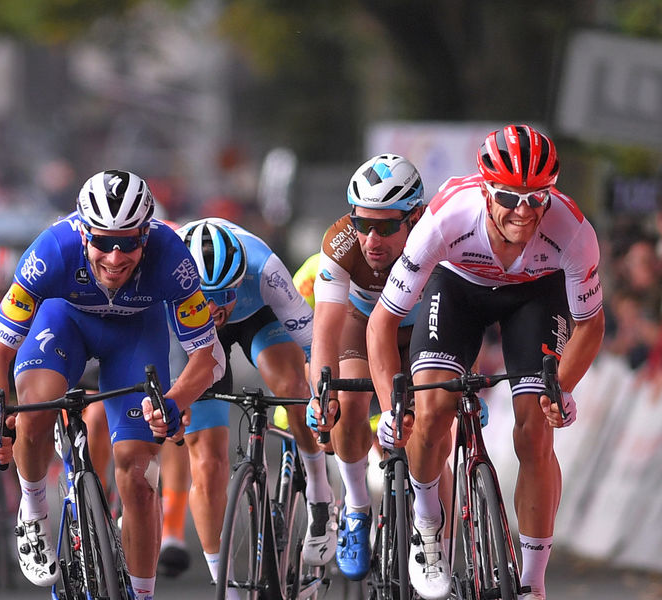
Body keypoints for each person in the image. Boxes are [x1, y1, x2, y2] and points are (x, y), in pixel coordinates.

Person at [366, 125, 604, 600]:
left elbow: (590, 326)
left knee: (536, 429)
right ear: (484, 187)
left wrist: (563, 388)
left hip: (534, 298)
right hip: (457, 292)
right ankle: (430, 527)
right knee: (431, 412)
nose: (523, 212)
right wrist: (393, 408)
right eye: (509, 197)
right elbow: (382, 324)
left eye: (537, 199)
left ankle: (532, 583)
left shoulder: (573, 231)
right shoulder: (447, 217)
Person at [0, 170, 224, 600]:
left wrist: (174, 400)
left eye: (128, 242)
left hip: (135, 335)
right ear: (83, 232)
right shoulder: (52, 250)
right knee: (34, 412)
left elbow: (209, 357)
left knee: (137, 477)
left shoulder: (172, 257)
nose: (114, 256)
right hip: (64, 322)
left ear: (146, 235)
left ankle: (142, 594)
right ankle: (34, 508)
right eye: (103, 242)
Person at [174, 217, 335, 582]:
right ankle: (225, 585)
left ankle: (319, 492)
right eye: (206, 299)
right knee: (207, 462)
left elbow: (313, 347)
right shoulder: (168, 274)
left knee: (292, 386)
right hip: (188, 330)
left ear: (239, 280)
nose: (216, 310)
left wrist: (320, 399)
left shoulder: (265, 269)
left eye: (223, 296)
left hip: (256, 316)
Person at [305, 154, 426, 581]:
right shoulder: (339, 242)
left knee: (432, 420)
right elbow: (324, 331)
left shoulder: (435, 234)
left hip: (418, 328)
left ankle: (437, 540)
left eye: (387, 226)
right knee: (350, 400)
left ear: (414, 218)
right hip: (359, 323)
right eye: (363, 223)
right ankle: (356, 507)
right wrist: (323, 394)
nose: (372, 239)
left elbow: (464, 316)